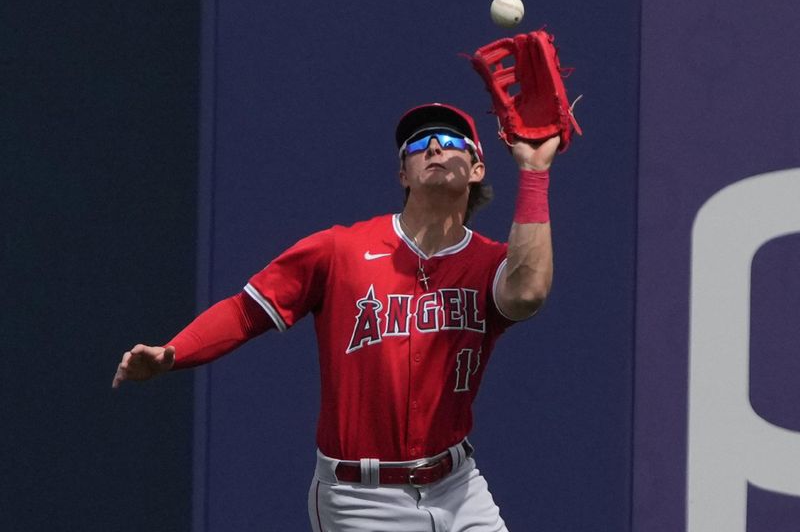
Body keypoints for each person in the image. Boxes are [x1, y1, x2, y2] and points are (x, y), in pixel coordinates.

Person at [112, 102, 558, 532]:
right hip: (361, 498)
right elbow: (247, 311)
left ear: (477, 169)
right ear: (403, 174)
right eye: (418, 146)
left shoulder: (489, 263)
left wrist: (535, 173)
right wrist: (175, 352)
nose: (434, 148)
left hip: (458, 487)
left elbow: (527, 293)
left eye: (448, 140)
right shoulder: (340, 250)